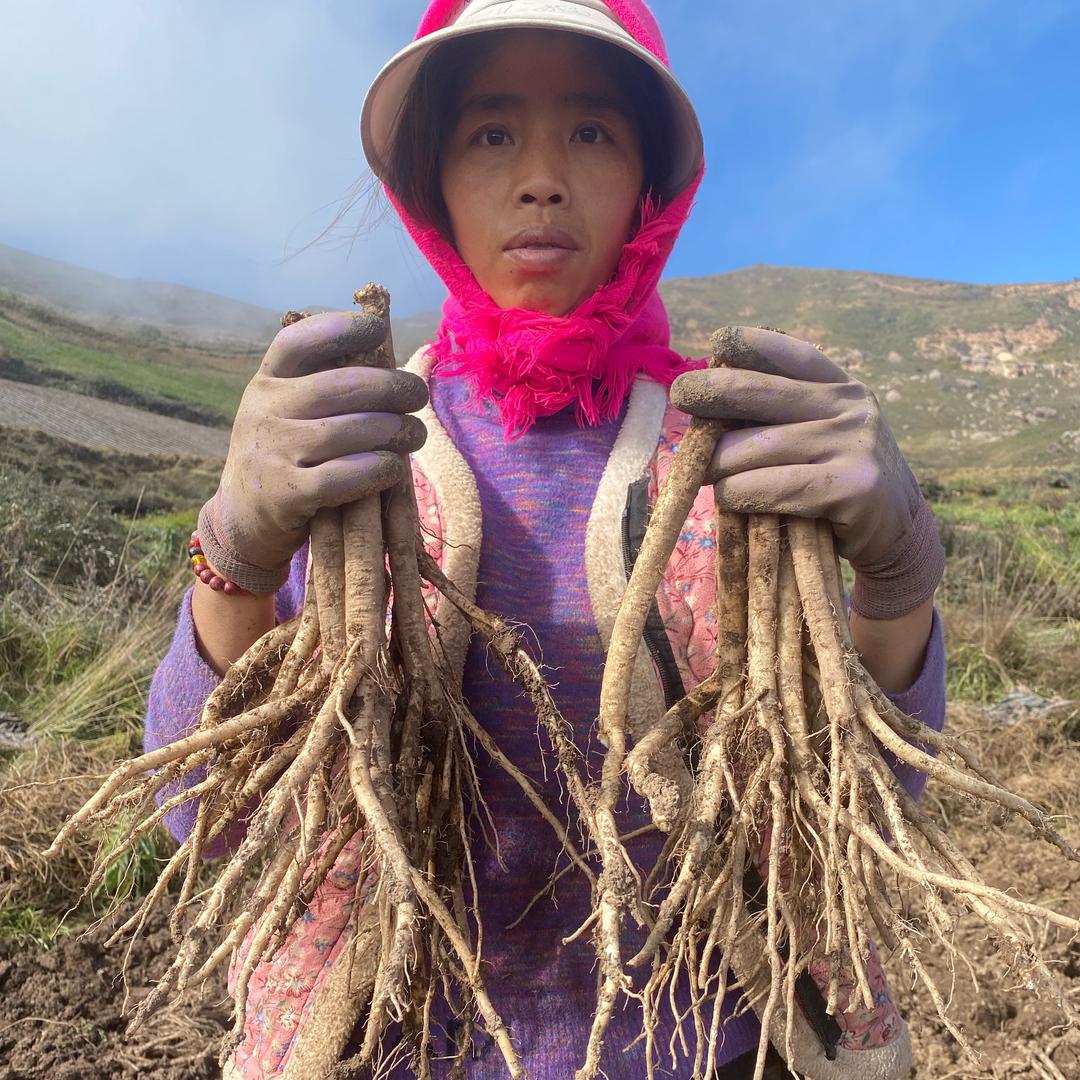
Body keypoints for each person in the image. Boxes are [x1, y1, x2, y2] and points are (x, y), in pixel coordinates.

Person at [145, 1, 947, 1077]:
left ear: (649, 184)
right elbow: (207, 818)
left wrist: (898, 583)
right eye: (491, 132)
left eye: (590, 131)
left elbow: (866, 809)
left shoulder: (737, 448)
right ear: (432, 178)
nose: (541, 177)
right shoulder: (346, 440)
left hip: (719, 1051)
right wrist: (231, 555)